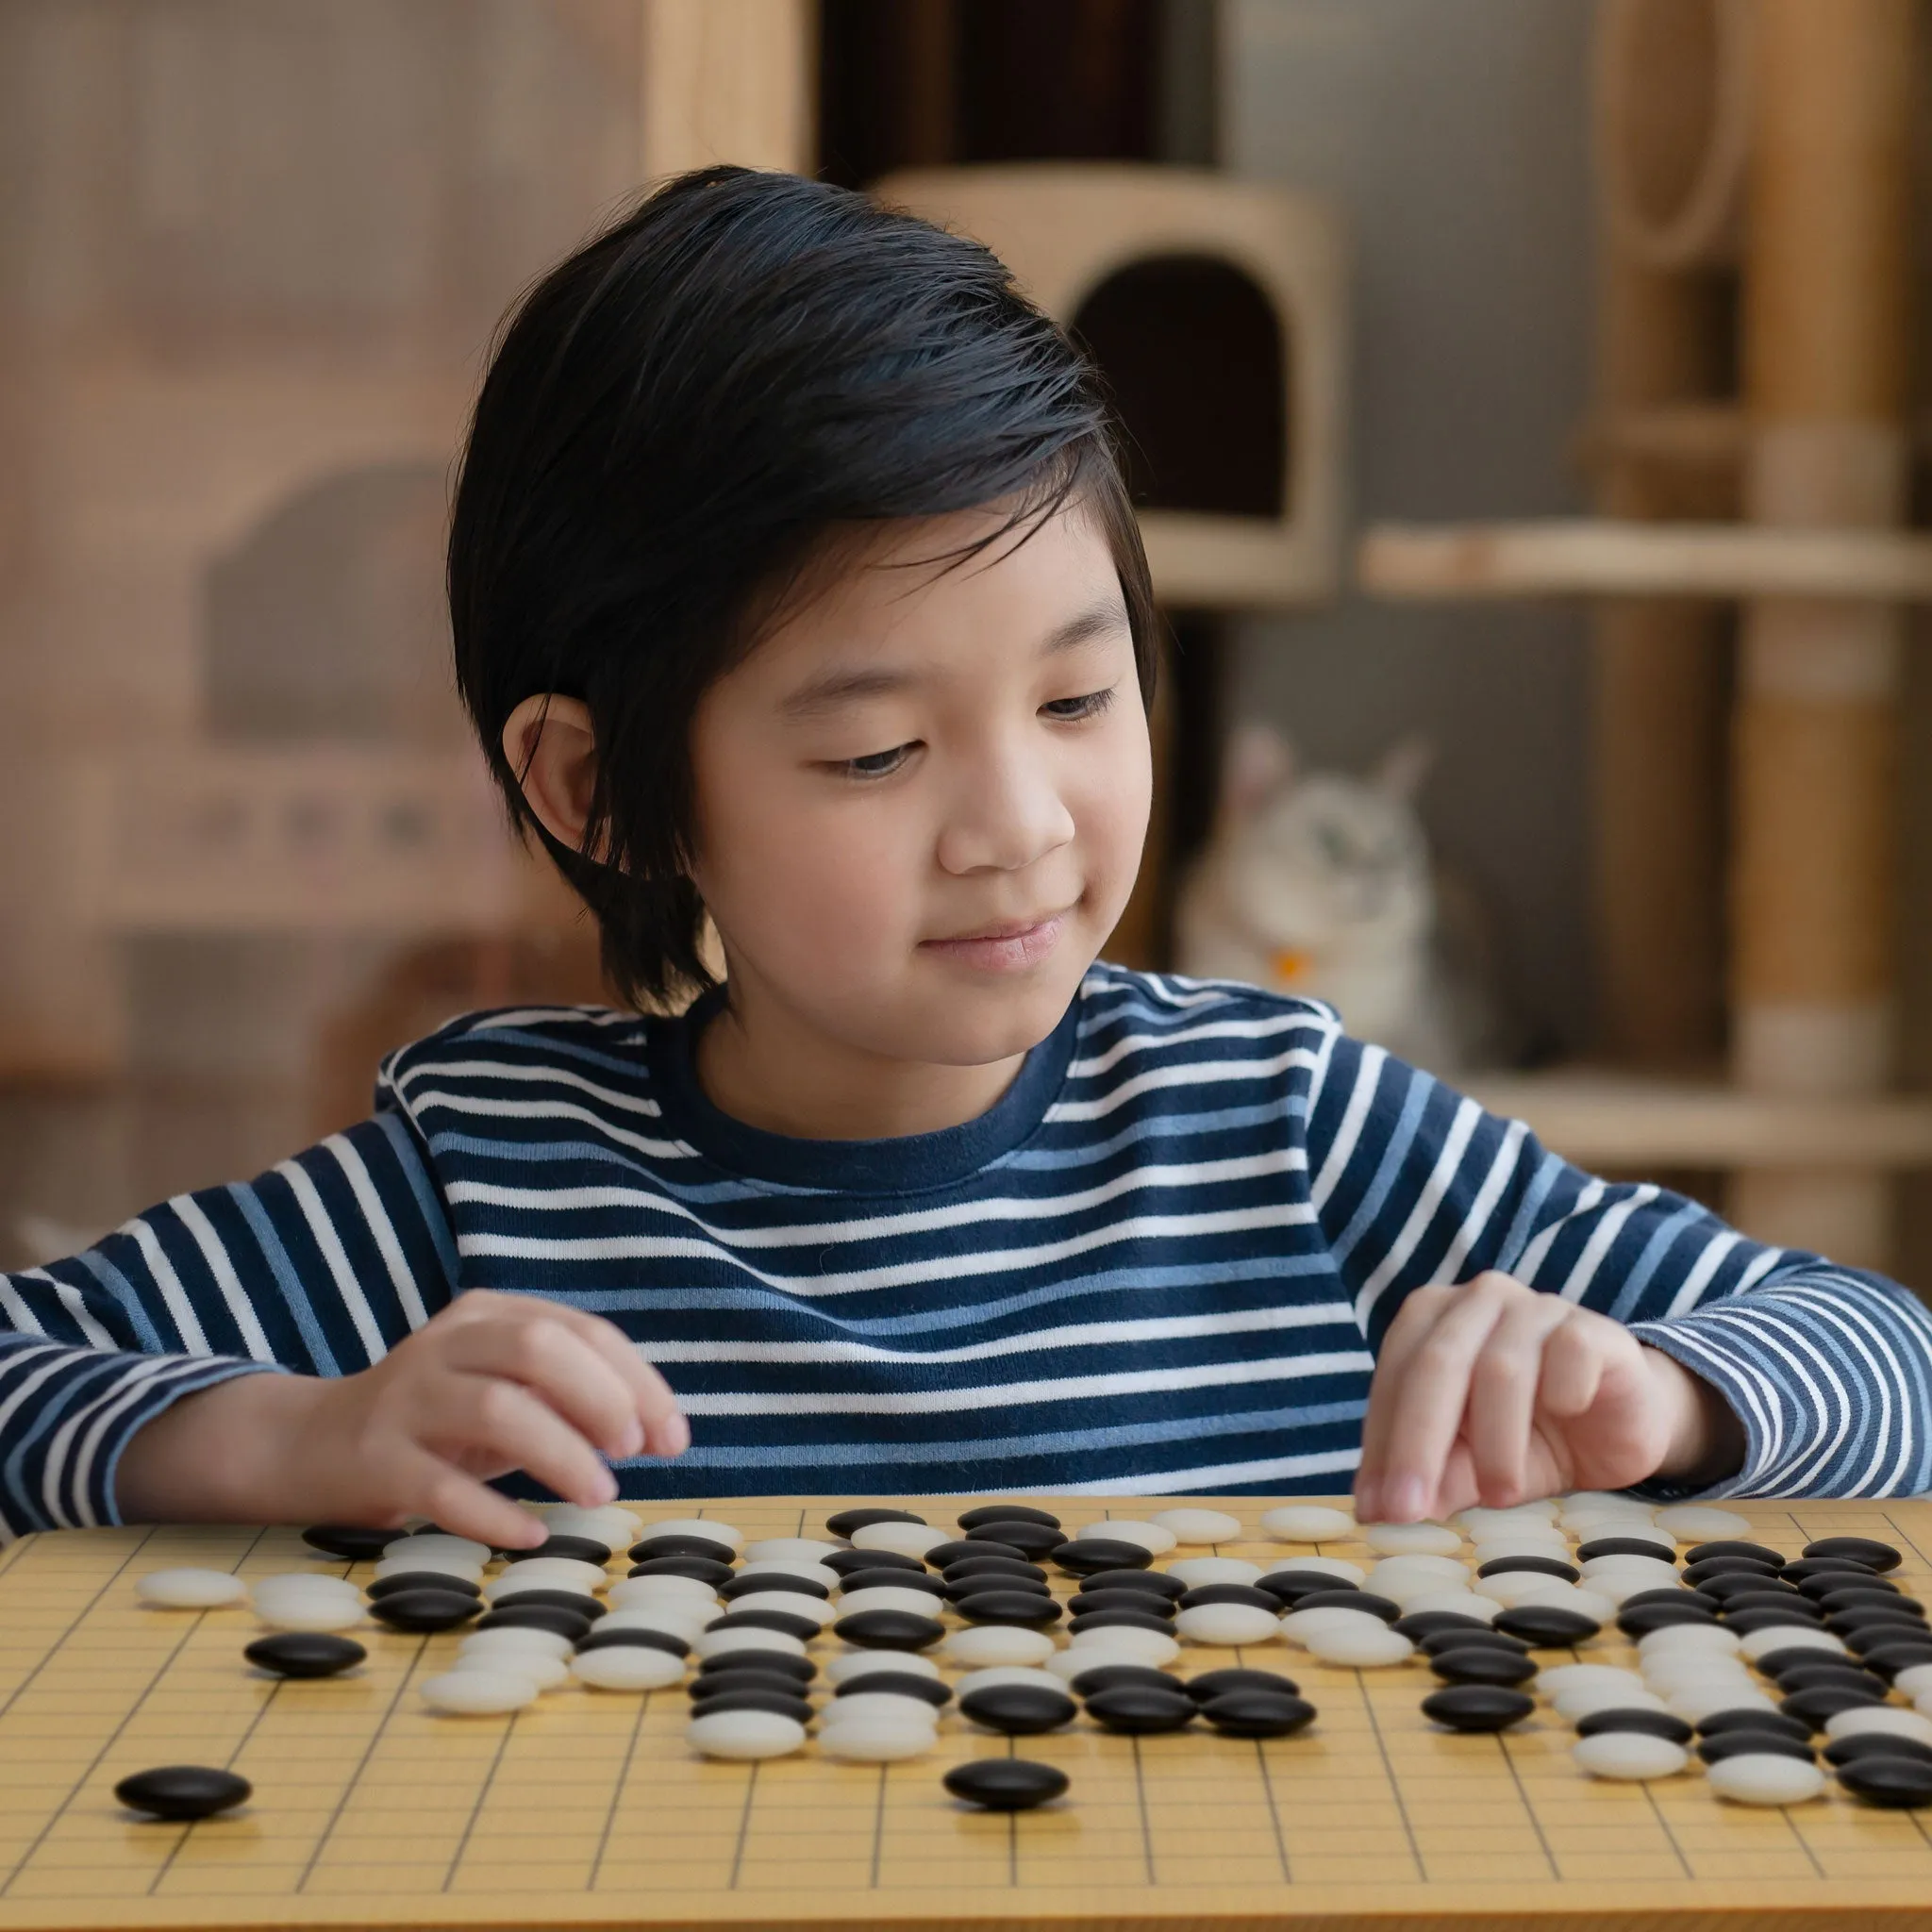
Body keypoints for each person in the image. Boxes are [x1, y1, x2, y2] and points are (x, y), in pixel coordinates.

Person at [3, 168, 1928, 1552]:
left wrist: (1668, 1394)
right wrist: (291, 1435)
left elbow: (1887, 1354)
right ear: (597, 791)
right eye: (876, 748)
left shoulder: (1286, 1122)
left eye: (1082, 703)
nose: (1017, 823)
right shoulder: (488, 1175)